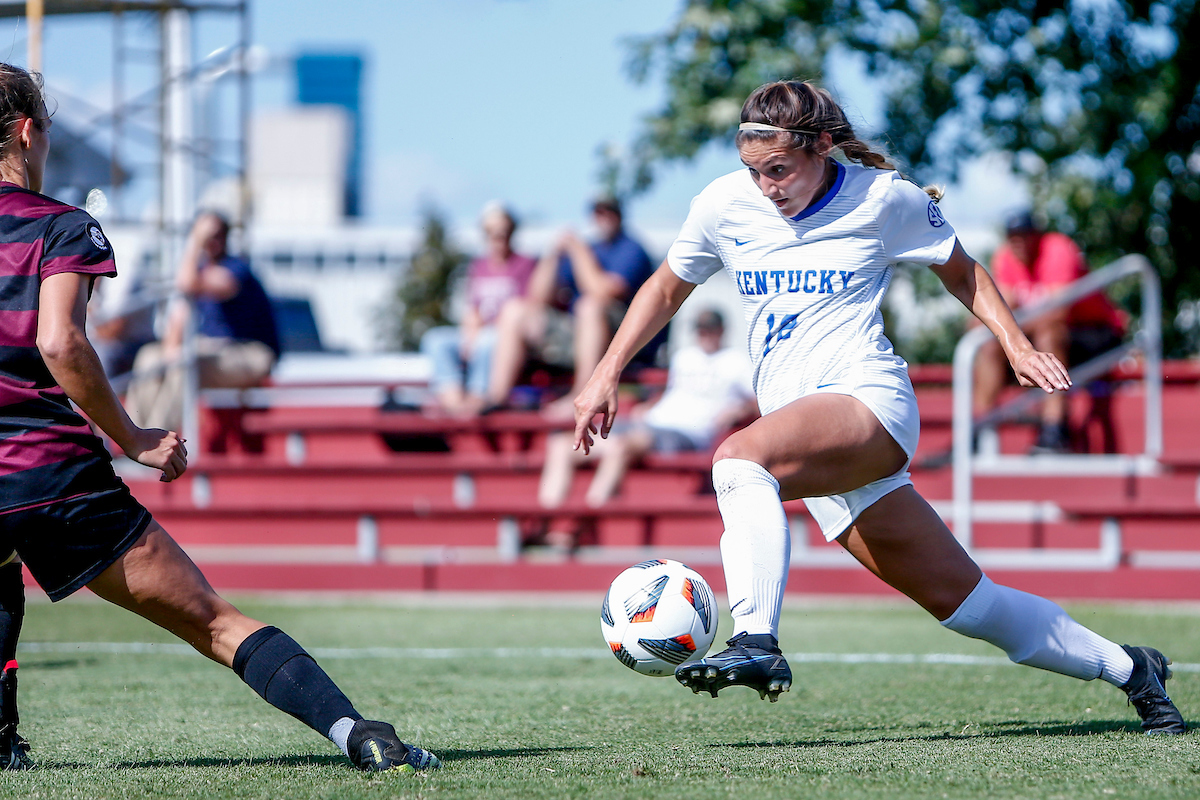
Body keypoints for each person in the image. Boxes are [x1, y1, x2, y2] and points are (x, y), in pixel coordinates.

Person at [570, 80, 1185, 734]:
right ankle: (1131, 669)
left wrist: (1016, 344)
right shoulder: (722, 204)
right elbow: (666, 288)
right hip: (812, 441)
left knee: (738, 461)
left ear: (823, 146)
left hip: (870, 401)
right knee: (969, 606)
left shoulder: (883, 197)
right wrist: (606, 372)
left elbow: (963, 270)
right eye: (754, 171)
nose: (766, 186)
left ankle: (755, 639)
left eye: (779, 169)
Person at [0, 63, 440, 773]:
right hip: (48, 477)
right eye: (47, 132)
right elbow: (59, 342)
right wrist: (134, 437)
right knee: (214, 621)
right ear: (27, 132)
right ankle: (357, 734)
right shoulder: (61, 226)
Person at [538, 309, 755, 511]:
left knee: (620, 447)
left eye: (709, 329)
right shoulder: (685, 356)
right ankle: (548, 519)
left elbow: (756, 400)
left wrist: (738, 410)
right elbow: (674, 393)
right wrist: (649, 406)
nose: (704, 335)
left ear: (721, 330)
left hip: (687, 432)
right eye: (700, 329)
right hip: (653, 422)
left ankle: (589, 516)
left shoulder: (736, 362)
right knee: (562, 445)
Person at [974, 210, 1126, 453]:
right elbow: (999, 310)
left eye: (1024, 235)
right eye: (1013, 237)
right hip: (1046, 334)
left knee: (1048, 332)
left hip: (1095, 333)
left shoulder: (1057, 250)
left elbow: (1057, 312)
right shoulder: (1006, 257)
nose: (1019, 242)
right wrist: (994, 330)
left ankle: (1055, 428)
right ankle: (979, 429)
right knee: (989, 344)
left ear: (1037, 235)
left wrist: (1009, 331)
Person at [485, 197, 655, 412]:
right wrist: (553, 254)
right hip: (578, 336)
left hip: (622, 340)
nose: (603, 217)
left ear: (619, 215)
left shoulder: (631, 249)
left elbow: (604, 291)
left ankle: (582, 395)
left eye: (609, 212)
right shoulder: (590, 248)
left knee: (589, 306)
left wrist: (578, 250)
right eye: (598, 212)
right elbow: (538, 297)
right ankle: (496, 399)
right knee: (514, 310)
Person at [124, 211, 280, 432]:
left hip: (250, 352)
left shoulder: (237, 268)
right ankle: (135, 435)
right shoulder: (199, 270)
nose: (211, 241)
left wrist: (195, 241)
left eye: (215, 235)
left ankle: (155, 440)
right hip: (210, 349)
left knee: (184, 365)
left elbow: (188, 283)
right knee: (149, 357)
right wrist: (168, 353)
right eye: (206, 235)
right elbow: (179, 318)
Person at [420, 202, 536, 415]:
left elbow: (525, 310)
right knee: (435, 339)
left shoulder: (525, 264)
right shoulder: (478, 266)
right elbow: (473, 308)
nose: (498, 237)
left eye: (503, 231)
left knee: (488, 340)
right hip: (481, 334)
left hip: (505, 338)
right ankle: (454, 403)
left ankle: (477, 400)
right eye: (492, 232)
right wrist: (470, 333)